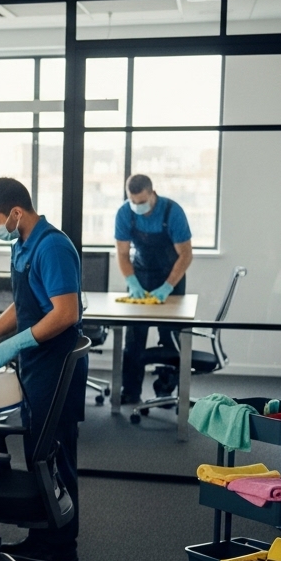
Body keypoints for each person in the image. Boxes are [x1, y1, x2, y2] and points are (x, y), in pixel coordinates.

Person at [0, 177, 85, 561]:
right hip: (37, 363)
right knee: (38, 453)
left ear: (16, 212)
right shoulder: (23, 245)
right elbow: (24, 304)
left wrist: (14, 344)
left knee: (53, 455)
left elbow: (66, 313)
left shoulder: (52, 246)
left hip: (55, 364)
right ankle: (43, 537)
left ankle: (61, 545)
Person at [115, 173, 194, 404]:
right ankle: (130, 391)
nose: (137, 206)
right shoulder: (124, 213)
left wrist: (167, 287)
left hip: (171, 277)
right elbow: (122, 253)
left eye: (141, 201)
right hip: (140, 275)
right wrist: (132, 282)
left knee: (170, 337)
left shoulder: (172, 212)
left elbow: (186, 255)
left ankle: (166, 389)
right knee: (134, 337)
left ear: (152, 194)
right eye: (133, 201)